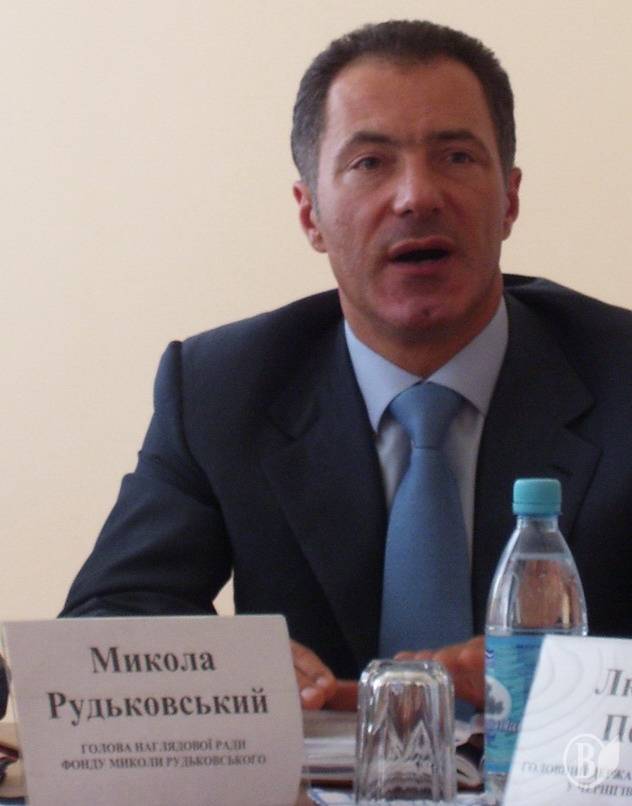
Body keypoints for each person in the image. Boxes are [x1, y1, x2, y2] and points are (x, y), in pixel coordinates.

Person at [42, 20, 632, 716]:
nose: (416, 196)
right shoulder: (220, 389)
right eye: (370, 163)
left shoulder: (618, 373)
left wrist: (557, 685)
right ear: (310, 215)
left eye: (456, 157)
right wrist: (230, 667)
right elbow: (103, 627)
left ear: (510, 199)